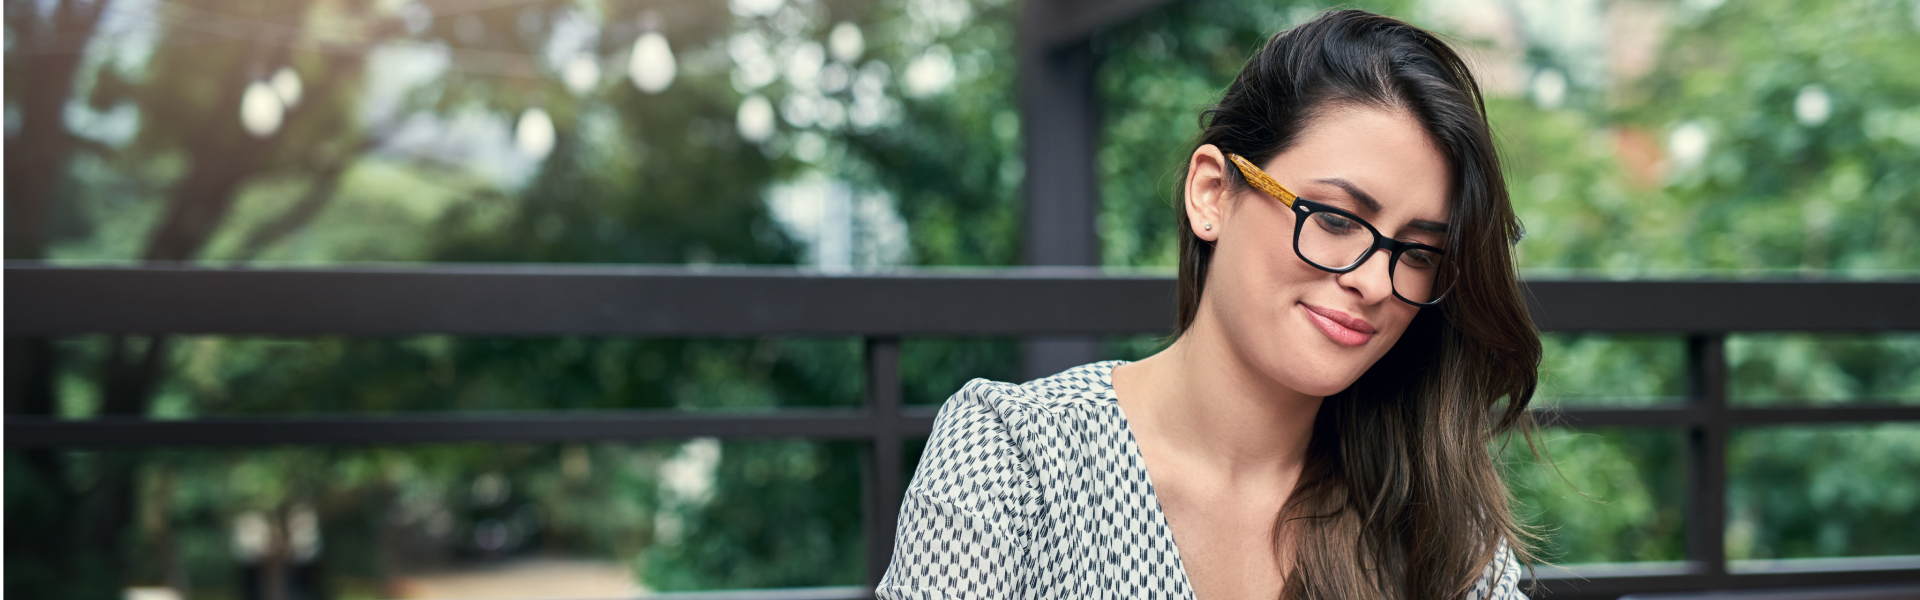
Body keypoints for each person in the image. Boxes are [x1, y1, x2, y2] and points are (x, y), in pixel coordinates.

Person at [878, 9, 1541, 600]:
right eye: (1336, 219)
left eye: (1419, 253)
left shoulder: (1433, 515)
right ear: (1212, 194)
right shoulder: (1016, 455)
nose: (1373, 282)